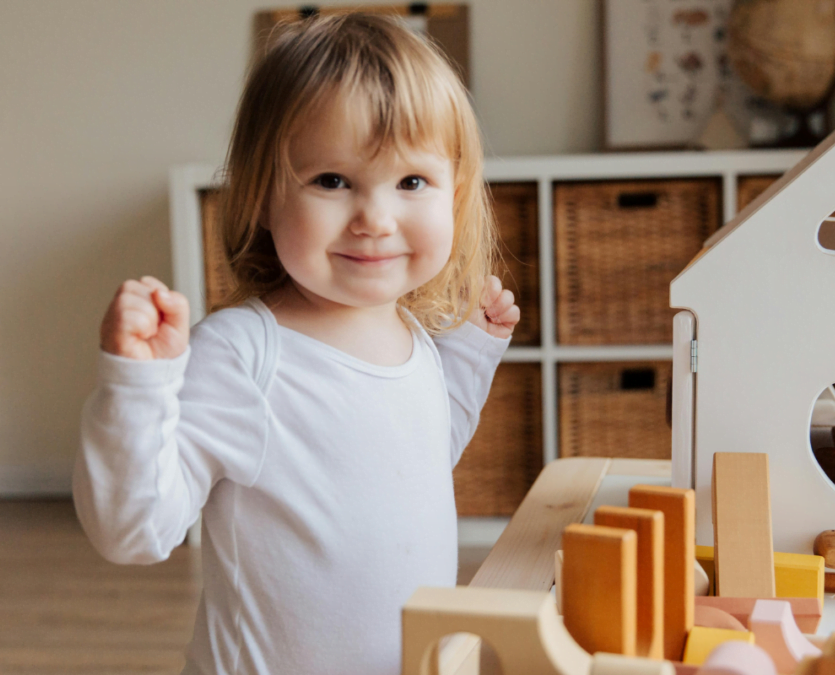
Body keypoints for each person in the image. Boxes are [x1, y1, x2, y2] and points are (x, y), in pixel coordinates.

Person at [73, 13, 519, 675]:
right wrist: (139, 387)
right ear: (262, 194)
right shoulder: (244, 357)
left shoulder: (415, 338)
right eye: (333, 181)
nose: (376, 218)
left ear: (452, 196)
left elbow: (418, 461)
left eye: (411, 182)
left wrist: (469, 355)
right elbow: (133, 530)